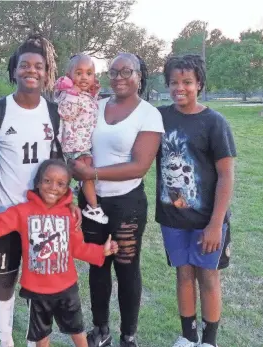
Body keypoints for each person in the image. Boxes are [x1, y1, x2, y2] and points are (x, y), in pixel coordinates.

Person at [0, 35, 81, 347]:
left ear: (46, 73)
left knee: (41, 280)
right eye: (25, 65)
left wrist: (70, 200)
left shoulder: (53, 114)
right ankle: (5, 339)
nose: (31, 70)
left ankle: (33, 338)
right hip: (7, 212)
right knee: (6, 277)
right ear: (14, 71)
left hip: (44, 217)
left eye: (38, 66)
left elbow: (60, 165)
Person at [71, 53, 165, 347]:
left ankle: (129, 335)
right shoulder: (93, 106)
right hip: (92, 202)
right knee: (98, 264)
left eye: (127, 71)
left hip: (127, 204)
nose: (119, 77)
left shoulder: (149, 114)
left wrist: (92, 172)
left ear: (140, 76)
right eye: (113, 71)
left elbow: (140, 166)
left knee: (126, 267)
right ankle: (101, 330)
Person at [0, 159, 118, 347]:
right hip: (37, 292)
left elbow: (77, 248)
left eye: (60, 184)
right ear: (38, 183)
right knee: (41, 338)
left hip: (67, 290)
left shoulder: (69, 215)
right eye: (47, 181)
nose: (53, 187)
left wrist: (101, 251)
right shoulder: (22, 212)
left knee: (78, 332)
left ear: (67, 188)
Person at [156, 55, 236, 347]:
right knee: (184, 275)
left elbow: (226, 175)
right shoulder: (161, 117)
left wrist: (216, 224)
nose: (180, 88)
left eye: (187, 82)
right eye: (174, 82)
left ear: (199, 84)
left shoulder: (214, 122)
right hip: (173, 218)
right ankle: (188, 336)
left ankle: (209, 341)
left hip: (207, 221)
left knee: (209, 277)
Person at [54, 54, 108, 224]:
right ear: (70, 75)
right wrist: (72, 95)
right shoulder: (69, 95)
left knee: (87, 174)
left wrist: (93, 92)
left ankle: (78, 189)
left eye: (89, 73)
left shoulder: (86, 95)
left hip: (84, 144)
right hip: (74, 146)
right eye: (79, 73)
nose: (84, 77)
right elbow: (66, 113)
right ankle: (93, 208)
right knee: (87, 175)